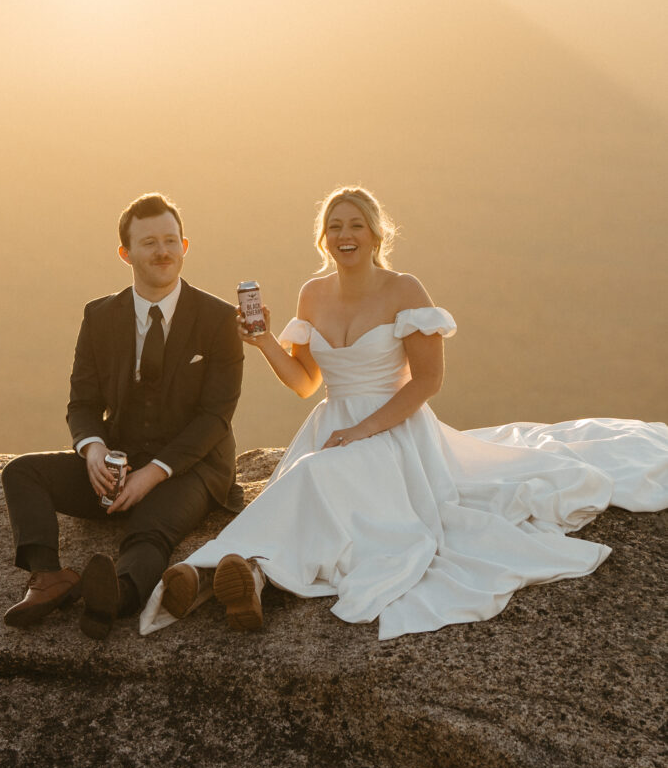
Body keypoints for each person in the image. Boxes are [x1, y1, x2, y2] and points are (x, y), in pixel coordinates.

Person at [140, 186, 668, 640]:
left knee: (313, 482)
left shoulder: (405, 291)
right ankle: (239, 579)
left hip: (394, 429)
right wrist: (263, 345)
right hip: (330, 423)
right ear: (324, 238)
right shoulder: (312, 293)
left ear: (375, 234)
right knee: (311, 489)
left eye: (357, 225)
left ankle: (216, 569)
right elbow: (306, 384)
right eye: (334, 226)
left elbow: (430, 381)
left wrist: (364, 431)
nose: (346, 234)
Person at [2, 192, 243, 639]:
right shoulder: (99, 317)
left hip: (193, 466)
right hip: (120, 459)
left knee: (150, 528)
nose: (163, 251)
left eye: (171, 240)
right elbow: (83, 403)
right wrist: (92, 450)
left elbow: (215, 416)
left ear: (185, 246)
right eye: (149, 242)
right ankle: (49, 576)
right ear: (125, 253)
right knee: (22, 473)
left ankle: (119, 595)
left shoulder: (218, 319)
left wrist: (154, 473)